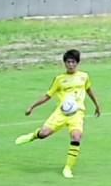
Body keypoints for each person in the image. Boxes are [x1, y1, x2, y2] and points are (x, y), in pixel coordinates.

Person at [15, 49, 102, 179]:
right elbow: (47, 95)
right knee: (44, 134)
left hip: (77, 113)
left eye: (73, 62)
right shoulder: (59, 79)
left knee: (76, 136)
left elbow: (89, 89)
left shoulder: (84, 76)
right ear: (65, 63)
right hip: (61, 113)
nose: (70, 65)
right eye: (68, 62)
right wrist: (32, 106)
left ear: (77, 63)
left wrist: (97, 105)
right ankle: (33, 136)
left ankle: (68, 168)